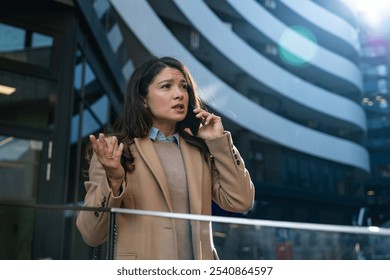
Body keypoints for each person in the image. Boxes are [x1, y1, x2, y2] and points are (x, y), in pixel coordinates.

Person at [76, 56, 255, 260]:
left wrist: (220, 143)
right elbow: (91, 234)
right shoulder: (116, 152)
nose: (179, 94)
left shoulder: (201, 150)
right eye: (166, 86)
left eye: (184, 87)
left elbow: (242, 201)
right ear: (143, 98)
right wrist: (113, 181)